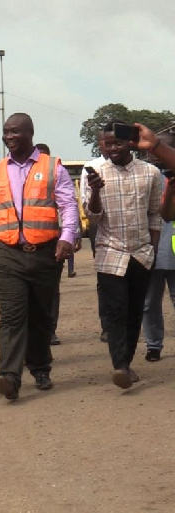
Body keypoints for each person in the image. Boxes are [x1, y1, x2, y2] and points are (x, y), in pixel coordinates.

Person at [0, 113, 79, 401]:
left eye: (15, 132)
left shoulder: (53, 167)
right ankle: (9, 375)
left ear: (30, 133)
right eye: (6, 132)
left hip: (46, 253)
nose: (8, 137)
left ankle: (41, 367)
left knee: (41, 315)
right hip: (7, 254)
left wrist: (67, 237)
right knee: (11, 316)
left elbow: (68, 205)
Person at [86, 120, 162, 389]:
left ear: (130, 142)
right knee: (115, 311)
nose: (113, 148)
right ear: (102, 145)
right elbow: (94, 218)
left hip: (141, 254)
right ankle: (120, 365)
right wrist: (95, 190)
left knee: (134, 312)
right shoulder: (94, 171)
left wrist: (152, 249)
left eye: (118, 142)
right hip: (110, 253)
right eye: (108, 143)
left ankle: (126, 363)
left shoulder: (150, 173)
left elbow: (155, 215)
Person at [35, 143, 81, 346]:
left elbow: (68, 205)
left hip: (54, 240)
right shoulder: (26, 180)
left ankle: (50, 330)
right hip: (24, 243)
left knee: (51, 290)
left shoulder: (56, 173)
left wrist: (72, 235)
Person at [142, 131, 175, 362]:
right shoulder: (143, 175)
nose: (154, 154)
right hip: (150, 249)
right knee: (149, 303)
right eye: (152, 149)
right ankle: (154, 344)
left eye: (162, 148)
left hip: (173, 251)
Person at [80, 132, 110, 342]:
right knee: (105, 276)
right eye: (106, 142)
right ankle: (107, 324)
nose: (112, 147)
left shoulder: (141, 169)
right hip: (100, 225)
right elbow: (85, 200)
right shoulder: (92, 167)